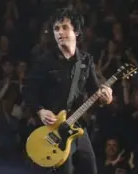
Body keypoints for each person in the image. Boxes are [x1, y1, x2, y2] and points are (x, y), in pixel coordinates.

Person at [22, 7, 113, 174]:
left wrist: (106, 98)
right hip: (53, 130)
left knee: (90, 169)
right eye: (56, 29)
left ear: (76, 31)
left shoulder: (86, 60)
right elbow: (28, 90)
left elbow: (95, 92)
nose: (59, 32)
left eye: (64, 27)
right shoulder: (44, 62)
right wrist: (40, 111)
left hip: (77, 127)